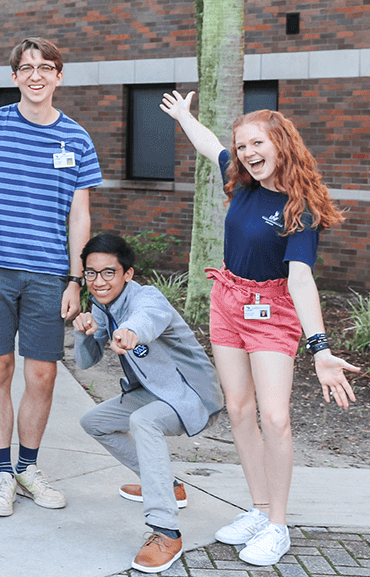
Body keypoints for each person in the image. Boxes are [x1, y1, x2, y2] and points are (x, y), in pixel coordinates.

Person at [159, 91, 357, 566]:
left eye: (256, 143)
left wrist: (320, 348)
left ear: (281, 143)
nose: (247, 152)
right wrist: (186, 117)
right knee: (239, 409)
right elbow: (210, 145)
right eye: (243, 145)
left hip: (273, 310)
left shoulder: (300, 205)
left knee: (275, 417)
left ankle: (278, 526)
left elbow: (301, 278)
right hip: (227, 299)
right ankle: (258, 507)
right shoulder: (242, 179)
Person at [0, 37, 101, 517]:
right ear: (14, 76)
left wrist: (75, 279)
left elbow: (79, 217)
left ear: (60, 75)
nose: (35, 75)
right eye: (26, 67)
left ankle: (28, 468)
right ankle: (1, 474)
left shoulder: (77, 139)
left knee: (42, 373)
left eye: (45, 67)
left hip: (48, 275)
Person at [73, 234, 222, 574]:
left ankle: (166, 531)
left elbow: (148, 318)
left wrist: (130, 333)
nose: (99, 281)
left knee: (144, 421)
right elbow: (85, 362)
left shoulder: (147, 297)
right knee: (93, 421)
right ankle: (168, 486)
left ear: (128, 274)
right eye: (91, 274)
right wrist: (83, 331)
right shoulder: (101, 305)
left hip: (190, 394)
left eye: (109, 272)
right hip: (155, 392)